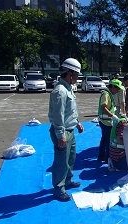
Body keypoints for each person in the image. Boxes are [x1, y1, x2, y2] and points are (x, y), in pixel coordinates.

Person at [48, 58, 85, 202]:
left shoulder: (68, 88)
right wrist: (60, 135)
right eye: (76, 74)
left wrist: (77, 122)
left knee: (71, 158)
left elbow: (70, 112)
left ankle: (68, 181)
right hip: (62, 132)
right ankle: (59, 188)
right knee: (61, 161)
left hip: (70, 130)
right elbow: (58, 116)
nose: (77, 78)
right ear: (69, 73)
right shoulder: (60, 91)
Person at [97, 79, 124, 164]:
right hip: (105, 122)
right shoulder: (106, 94)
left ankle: (101, 156)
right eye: (117, 89)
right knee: (109, 140)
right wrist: (112, 115)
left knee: (104, 139)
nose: (117, 91)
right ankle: (107, 159)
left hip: (105, 121)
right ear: (112, 86)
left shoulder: (109, 94)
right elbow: (103, 107)